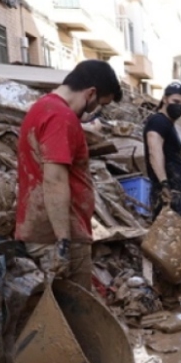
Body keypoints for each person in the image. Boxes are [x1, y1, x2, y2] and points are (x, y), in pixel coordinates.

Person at [15, 59, 121, 289]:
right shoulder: (61, 118)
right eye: (98, 104)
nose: (94, 112)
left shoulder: (43, 108)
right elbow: (54, 180)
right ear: (90, 93)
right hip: (58, 237)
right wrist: (63, 242)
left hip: (47, 231)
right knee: (72, 316)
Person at [143, 82, 181, 217]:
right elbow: (154, 151)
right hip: (167, 191)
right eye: (175, 101)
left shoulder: (168, 124)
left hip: (173, 190)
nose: (179, 106)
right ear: (164, 99)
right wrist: (164, 184)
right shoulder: (159, 121)